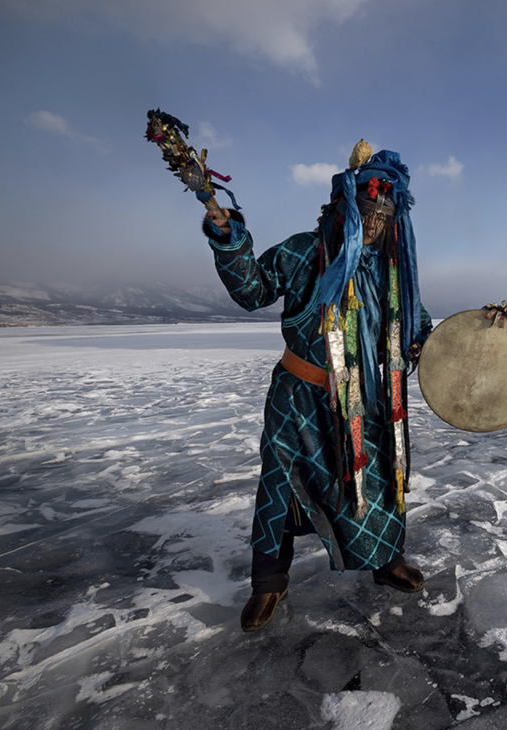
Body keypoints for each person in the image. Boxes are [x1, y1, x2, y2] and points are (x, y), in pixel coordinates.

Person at [202, 143, 433, 632]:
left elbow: (417, 326)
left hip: (368, 402)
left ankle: (385, 560)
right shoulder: (306, 251)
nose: (375, 225)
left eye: (384, 216)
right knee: (281, 487)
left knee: (376, 481)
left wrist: (473, 336)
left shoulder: (394, 272)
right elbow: (254, 290)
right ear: (347, 207)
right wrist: (227, 236)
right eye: (368, 213)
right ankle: (269, 583)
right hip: (300, 399)